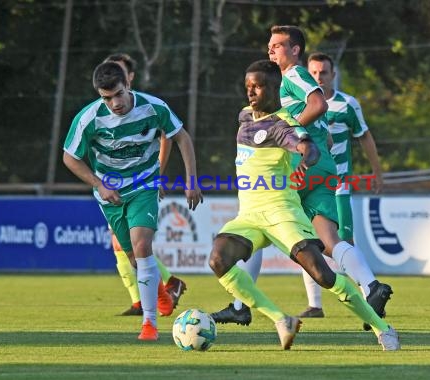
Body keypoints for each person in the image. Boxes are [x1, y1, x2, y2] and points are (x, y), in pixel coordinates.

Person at [208, 59, 400, 351]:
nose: (251, 92)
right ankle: (280, 319)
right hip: (249, 216)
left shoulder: (284, 123)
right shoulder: (244, 116)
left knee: (324, 275)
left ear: (275, 88)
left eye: (258, 86)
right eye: (248, 86)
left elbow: (305, 145)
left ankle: (382, 328)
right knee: (218, 260)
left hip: (282, 213)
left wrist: (306, 157)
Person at [63, 61, 203, 341]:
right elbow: (70, 157)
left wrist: (191, 180)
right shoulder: (88, 118)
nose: (114, 103)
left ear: (127, 85)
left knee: (142, 246)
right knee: (132, 256)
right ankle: (162, 293)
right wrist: (99, 185)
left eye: (117, 94)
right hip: (111, 193)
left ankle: (149, 324)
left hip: (144, 186)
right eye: (106, 97)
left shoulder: (153, 107)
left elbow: (181, 138)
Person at [300, 52, 386, 327]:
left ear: (332, 74)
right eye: (313, 72)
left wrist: (377, 172)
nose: (318, 77)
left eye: (323, 72)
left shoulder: (347, 104)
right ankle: (315, 305)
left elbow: (365, 136)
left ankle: (370, 300)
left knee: (343, 243)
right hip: (310, 185)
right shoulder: (302, 103)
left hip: (338, 184)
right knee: (307, 242)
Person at [103, 53, 187, 316]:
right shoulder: (106, 110)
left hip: (141, 185)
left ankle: (151, 296)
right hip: (115, 185)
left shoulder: (146, 106)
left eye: (119, 71)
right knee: (122, 244)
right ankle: (149, 294)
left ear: (129, 78)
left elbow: (169, 137)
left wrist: (157, 175)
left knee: (130, 244)